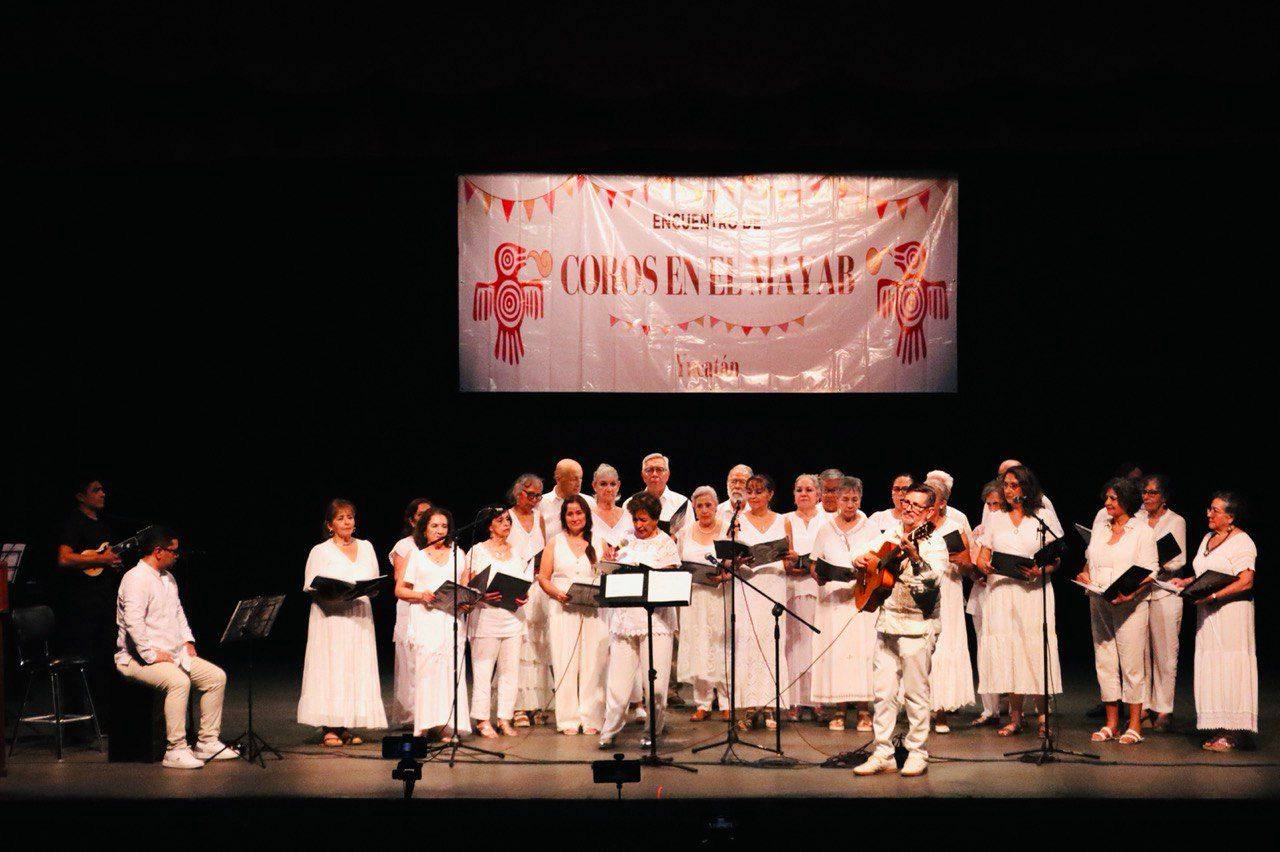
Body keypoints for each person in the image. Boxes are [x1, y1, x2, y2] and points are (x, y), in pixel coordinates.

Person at [115, 526, 236, 769]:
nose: (177, 556)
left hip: (172, 654)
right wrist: (150, 655)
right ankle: (175, 749)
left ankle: (207, 741)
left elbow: (178, 613)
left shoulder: (168, 578)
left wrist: (187, 641)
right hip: (136, 659)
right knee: (179, 682)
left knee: (216, 677)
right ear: (158, 551)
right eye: (173, 551)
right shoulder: (135, 579)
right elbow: (133, 623)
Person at [853, 484, 947, 778]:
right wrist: (859, 560)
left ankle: (917, 753)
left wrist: (915, 557)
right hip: (887, 624)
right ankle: (883, 753)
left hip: (918, 627)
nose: (908, 508)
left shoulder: (935, 542)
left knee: (916, 696)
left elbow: (933, 581)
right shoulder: (890, 535)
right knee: (883, 694)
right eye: (906, 502)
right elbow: (861, 553)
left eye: (916, 505)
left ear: (929, 512)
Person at [974, 465, 1063, 738]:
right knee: (1009, 652)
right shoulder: (995, 517)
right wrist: (984, 564)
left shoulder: (1041, 516)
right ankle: (1015, 717)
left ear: (1026, 487)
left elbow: (1056, 558)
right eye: (1006, 485)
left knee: (1034, 650)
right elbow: (983, 554)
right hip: (1002, 593)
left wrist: (1042, 570)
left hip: (1033, 592)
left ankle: (1043, 716)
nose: (1009, 490)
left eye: (1014, 485)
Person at [1168, 492, 1257, 752]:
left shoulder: (1242, 542)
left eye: (1215, 510)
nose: (1208, 513)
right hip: (1208, 615)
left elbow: (1246, 581)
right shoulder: (1208, 538)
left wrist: (1214, 596)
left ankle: (1234, 732)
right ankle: (1222, 725)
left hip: (1231, 614)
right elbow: (1205, 573)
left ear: (1231, 517)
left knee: (1231, 666)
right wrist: (1186, 582)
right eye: (1209, 508)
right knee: (1214, 666)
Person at [1076, 477, 1158, 745]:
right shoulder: (1101, 528)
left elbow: (1151, 570)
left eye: (1113, 498)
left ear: (1127, 500)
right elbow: (1090, 560)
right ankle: (1111, 722)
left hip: (1129, 605)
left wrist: (1130, 593)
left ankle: (1134, 724)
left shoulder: (1142, 531)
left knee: (1132, 664)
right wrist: (1086, 575)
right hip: (1099, 600)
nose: (1108, 502)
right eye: (1107, 497)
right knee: (1105, 660)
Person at [298, 499, 387, 746]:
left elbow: (374, 582)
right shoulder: (320, 551)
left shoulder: (366, 547)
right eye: (340, 518)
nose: (347, 522)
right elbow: (310, 586)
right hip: (331, 619)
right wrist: (333, 593)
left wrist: (371, 589)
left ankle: (345, 724)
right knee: (333, 668)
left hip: (358, 616)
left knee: (353, 669)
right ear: (330, 525)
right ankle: (330, 727)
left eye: (350, 517)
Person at [598, 492, 681, 749]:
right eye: (635, 519)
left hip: (656, 622)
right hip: (625, 620)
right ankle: (609, 731)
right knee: (618, 684)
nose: (639, 525)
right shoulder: (626, 540)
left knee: (655, 685)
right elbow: (612, 569)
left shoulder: (666, 544)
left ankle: (652, 731)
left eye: (644, 520)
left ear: (655, 519)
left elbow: (672, 578)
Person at [808, 476, 878, 731]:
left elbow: (879, 560)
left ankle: (863, 709)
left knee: (861, 652)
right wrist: (818, 573)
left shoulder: (869, 527)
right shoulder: (826, 529)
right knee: (837, 653)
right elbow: (814, 562)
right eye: (845, 499)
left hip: (860, 598)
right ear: (836, 500)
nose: (850, 504)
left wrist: (864, 567)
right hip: (833, 598)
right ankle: (838, 708)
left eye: (854, 500)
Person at [55, 476, 123, 727]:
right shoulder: (73, 522)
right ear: (81, 496)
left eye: (103, 489)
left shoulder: (104, 524)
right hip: (80, 607)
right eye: (96, 490)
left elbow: (105, 560)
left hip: (103, 603)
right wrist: (101, 560)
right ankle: (75, 726)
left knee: (105, 662)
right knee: (79, 663)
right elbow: (64, 558)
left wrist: (112, 563)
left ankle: (103, 722)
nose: (103, 494)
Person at [398, 507, 471, 740]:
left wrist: (466, 602)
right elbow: (400, 590)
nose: (440, 530)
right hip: (426, 619)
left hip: (450, 620)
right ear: (424, 530)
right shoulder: (416, 556)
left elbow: (465, 589)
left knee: (449, 672)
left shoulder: (458, 554)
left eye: (444, 526)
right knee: (427, 672)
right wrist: (421, 595)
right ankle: (425, 724)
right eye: (434, 526)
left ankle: (445, 724)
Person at [538, 495, 608, 735]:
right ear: (564, 517)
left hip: (592, 609)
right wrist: (557, 593)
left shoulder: (598, 541)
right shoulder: (555, 542)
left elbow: (607, 573)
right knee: (564, 662)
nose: (575, 517)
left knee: (593, 664)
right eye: (570, 514)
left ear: (587, 515)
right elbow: (543, 577)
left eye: (579, 513)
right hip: (563, 608)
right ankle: (568, 719)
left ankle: (592, 717)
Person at [467, 505, 532, 738]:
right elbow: (468, 585)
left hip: (512, 618)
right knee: (483, 671)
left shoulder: (516, 552)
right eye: (500, 520)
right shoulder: (477, 551)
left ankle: (504, 718)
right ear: (489, 526)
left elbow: (524, 582)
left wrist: (524, 596)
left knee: (510, 673)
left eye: (508, 520)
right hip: (486, 617)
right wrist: (482, 595)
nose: (506, 524)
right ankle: (483, 720)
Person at [731, 474, 790, 728]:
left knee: (771, 642)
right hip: (748, 585)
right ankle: (747, 707)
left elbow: (788, 558)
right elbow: (728, 558)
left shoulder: (783, 520)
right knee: (747, 643)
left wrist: (792, 557)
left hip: (773, 585)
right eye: (750, 492)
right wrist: (737, 560)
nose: (753, 496)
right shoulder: (737, 521)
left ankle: (769, 707)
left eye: (758, 491)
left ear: (770, 494)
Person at [922, 471, 975, 733]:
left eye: (932, 499)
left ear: (942, 503)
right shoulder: (915, 526)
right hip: (921, 589)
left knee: (944, 647)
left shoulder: (955, 526)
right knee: (920, 647)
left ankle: (941, 710)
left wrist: (959, 560)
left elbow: (969, 566)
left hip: (948, 590)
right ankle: (920, 710)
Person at [1137, 474, 1187, 730]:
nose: (1146, 497)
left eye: (1152, 493)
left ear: (1164, 497)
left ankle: (1164, 709)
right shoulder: (1137, 518)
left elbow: (1178, 560)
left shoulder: (1175, 521)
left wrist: (1153, 561)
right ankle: (1144, 706)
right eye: (1144, 492)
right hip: (1140, 592)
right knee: (1141, 653)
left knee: (1165, 653)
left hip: (1165, 591)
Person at [677, 486, 730, 721]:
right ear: (694, 508)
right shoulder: (685, 532)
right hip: (695, 597)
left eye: (709, 505)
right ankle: (703, 702)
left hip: (720, 595)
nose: (705, 510)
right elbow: (678, 563)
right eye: (700, 506)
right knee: (699, 645)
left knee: (720, 645)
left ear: (716, 506)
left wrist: (724, 574)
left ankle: (727, 701)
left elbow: (733, 562)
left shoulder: (727, 529)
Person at [507, 473, 551, 728]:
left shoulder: (539, 518)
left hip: (537, 588)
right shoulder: (507, 517)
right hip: (516, 588)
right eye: (530, 494)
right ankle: (517, 707)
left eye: (538, 496)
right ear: (518, 493)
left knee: (538, 647)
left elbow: (544, 551)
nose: (534, 500)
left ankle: (536, 703)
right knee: (519, 648)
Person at [389, 497, 433, 729]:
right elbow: (401, 579)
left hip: (434, 609)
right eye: (421, 515)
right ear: (412, 520)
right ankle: (413, 717)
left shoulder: (440, 545)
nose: (426, 518)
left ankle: (431, 714)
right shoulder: (404, 546)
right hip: (410, 608)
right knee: (410, 665)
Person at [782, 474, 824, 721]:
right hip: (792, 589)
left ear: (818, 494)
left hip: (818, 589)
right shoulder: (786, 520)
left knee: (815, 644)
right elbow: (784, 557)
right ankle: (795, 700)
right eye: (799, 490)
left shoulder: (827, 520)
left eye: (809, 489)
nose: (804, 494)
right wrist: (796, 564)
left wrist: (807, 564)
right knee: (794, 645)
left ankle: (816, 700)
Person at [967, 481, 1005, 727]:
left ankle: (1014, 708)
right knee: (983, 650)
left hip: (1002, 593)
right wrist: (974, 572)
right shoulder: (981, 529)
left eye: (996, 504)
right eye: (988, 504)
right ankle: (990, 708)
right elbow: (970, 559)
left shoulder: (1010, 528)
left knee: (1004, 650)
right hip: (981, 593)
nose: (991, 509)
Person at [541, 459, 596, 540]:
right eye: (574, 479)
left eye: (580, 478)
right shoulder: (541, 503)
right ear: (558, 479)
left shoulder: (590, 502)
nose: (578, 483)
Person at [640, 452, 690, 528]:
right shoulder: (630, 503)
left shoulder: (682, 503)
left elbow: (689, 534)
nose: (654, 474)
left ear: (668, 475)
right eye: (649, 470)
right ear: (643, 476)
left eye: (659, 470)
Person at [590, 464, 633, 547]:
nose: (609, 489)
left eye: (613, 484)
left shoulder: (628, 515)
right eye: (603, 484)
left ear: (618, 485)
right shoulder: (588, 516)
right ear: (594, 485)